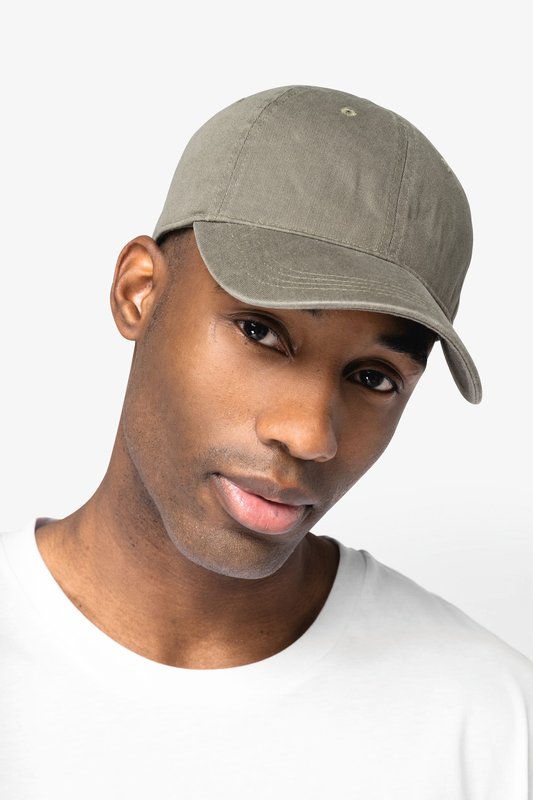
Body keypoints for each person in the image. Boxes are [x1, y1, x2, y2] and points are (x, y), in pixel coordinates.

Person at [1, 85, 531, 798]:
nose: (310, 435)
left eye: (373, 378)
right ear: (138, 292)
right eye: (260, 332)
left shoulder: (493, 724)